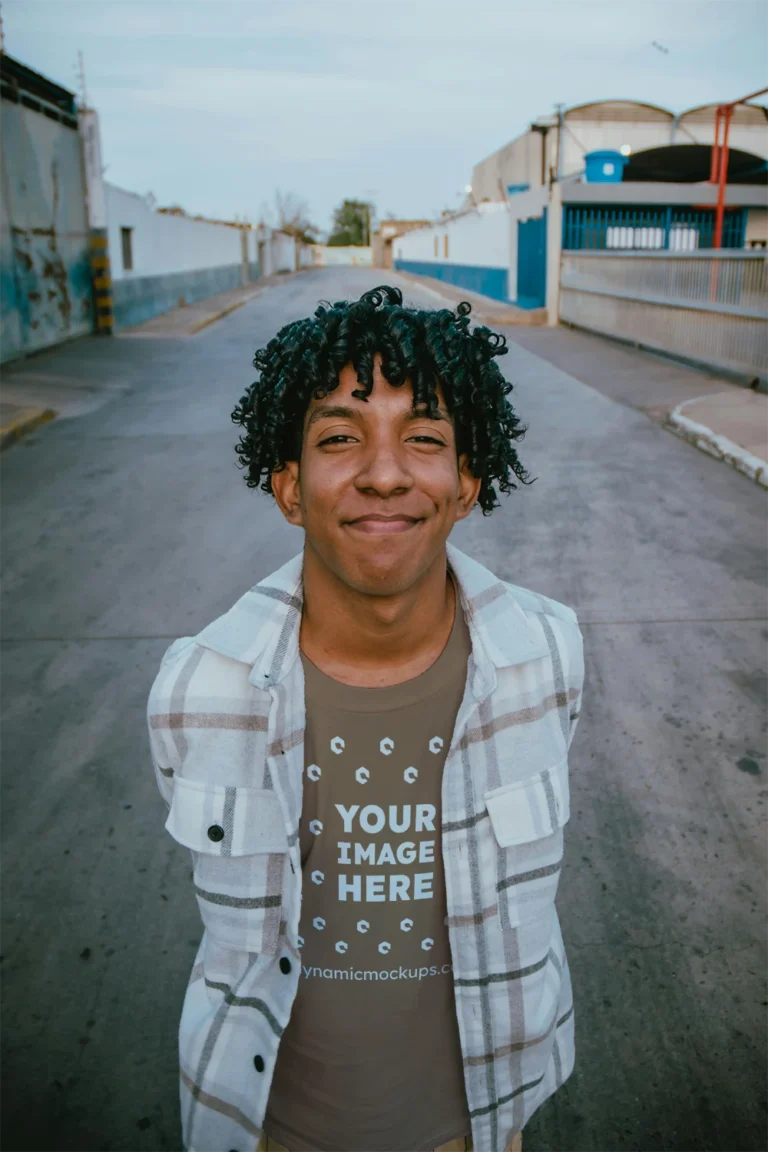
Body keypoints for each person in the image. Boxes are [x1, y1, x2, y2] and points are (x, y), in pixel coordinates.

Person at [147, 285, 584, 1152]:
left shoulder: (547, 654)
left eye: (423, 438)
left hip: (479, 1125)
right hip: (267, 1129)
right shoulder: (201, 688)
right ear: (288, 487)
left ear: (466, 481)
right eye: (339, 438)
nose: (384, 472)